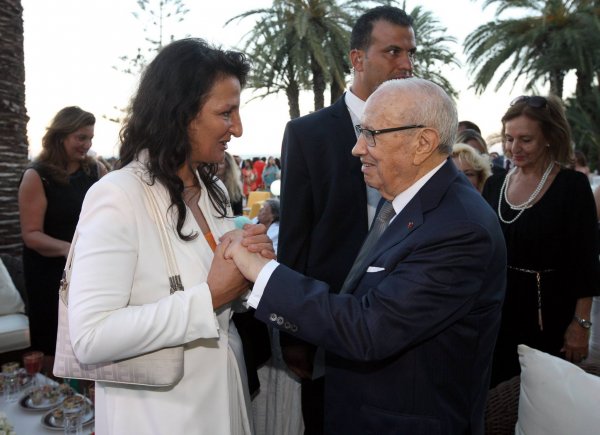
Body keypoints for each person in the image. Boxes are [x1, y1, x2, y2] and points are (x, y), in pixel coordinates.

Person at [215, 78, 506, 435]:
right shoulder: (406, 201)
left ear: (423, 143)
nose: (356, 148)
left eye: (371, 134)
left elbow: (369, 328)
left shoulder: (459, 228)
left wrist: (262, 272)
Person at [66, 38, 274, 435]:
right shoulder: (117, 196)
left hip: (223, 399)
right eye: (226, 112)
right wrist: (209, 297)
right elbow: (91, 336)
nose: (239, 128)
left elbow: (223, 292)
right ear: (181, 114)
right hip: (160, 416)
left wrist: (250, 268)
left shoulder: (209, 190)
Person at [277, 6, 416, 432]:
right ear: (357, 59)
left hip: (404, 324)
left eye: (411, 53)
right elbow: (295, 241)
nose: (406, 64)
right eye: (393, 51)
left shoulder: (420, 130)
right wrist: (294, 334)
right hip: (327, 327)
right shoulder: (308, 134)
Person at [482, 95, 600, 387]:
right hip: (497, 311)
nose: (514, 148)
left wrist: (580, 325)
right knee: (496, 396)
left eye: (525, 139)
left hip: (549, 314)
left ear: (548, 137)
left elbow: (586, 262)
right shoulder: (495, 184)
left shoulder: (572, 187)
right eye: (509, 139)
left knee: (543, 399)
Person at [18, 106, 106, 360]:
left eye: (90, 138)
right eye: (81, 137)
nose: (87, 144)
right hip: (48, 273)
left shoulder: (96, 171)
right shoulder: (37, 176)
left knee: (88, 338)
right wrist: (71, 250)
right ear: (60, 136)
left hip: (87, 268)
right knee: (54, 343)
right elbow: (31, 234)